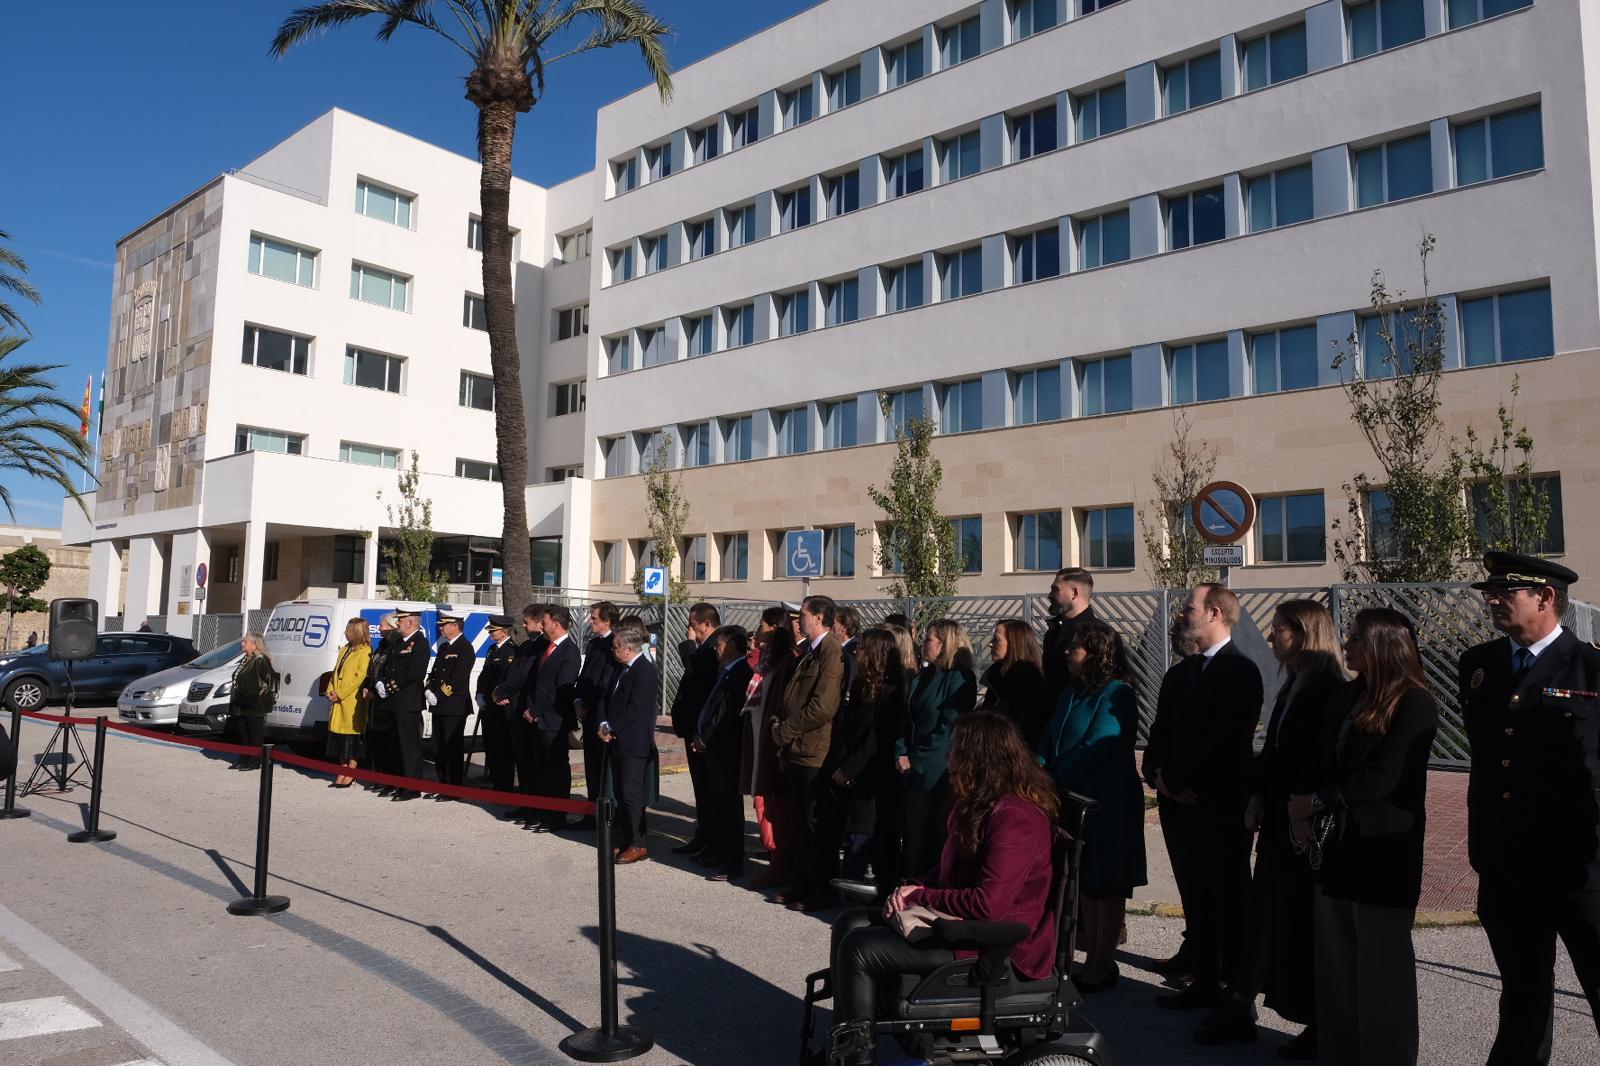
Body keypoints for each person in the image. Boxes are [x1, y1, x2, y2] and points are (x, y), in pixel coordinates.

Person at [829, 712, 1060, 1065]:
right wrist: (912, 887)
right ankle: (846, 1042)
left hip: (997, 944)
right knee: (850, 922)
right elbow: (945, 873)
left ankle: (856, 1057)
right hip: (963, 924)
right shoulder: (980, 807)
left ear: (979, 759)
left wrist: (921, 897)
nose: (947, 757)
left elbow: (989, 905)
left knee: (859, 948)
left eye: (953, 750)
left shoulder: (1016, 818)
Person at [1459, 552, 1600, 1065]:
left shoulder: (1591, 666)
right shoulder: (1478, 664)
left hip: (1580, 866)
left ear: (1545, 597)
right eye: (1490, 592)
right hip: (1506, 864)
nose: (1492, 600)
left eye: (1506, 592)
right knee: (1522, 993)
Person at [1290, 608, 1437, 1066]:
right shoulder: (1351, 695)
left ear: (1382, 645)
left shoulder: (1414, 702)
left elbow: (1382, 776)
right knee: (1335, 970)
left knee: (1381, 975)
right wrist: (1302, 804)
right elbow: (1322, 758)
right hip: (1336, 850)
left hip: (1381, 854)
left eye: (1355, 638)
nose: (1347, 645)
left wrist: (1314, 802)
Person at [1200, 600, 1346, 1052]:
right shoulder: (1291, 686)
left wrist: (1300, 808)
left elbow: (1320, 761)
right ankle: (1241, 1005)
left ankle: (1320, 1023)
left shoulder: (1328, 691)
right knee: (1264, 917)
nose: (1270, 637)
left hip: (1304, 826)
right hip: (1280, 820)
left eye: (1279, 629)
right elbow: (1278, 753)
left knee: (1300, 926)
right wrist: (1260, 794)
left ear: (1304, 634)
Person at [1141, 583, 1263, 1013]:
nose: (1179, 615)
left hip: (1218, 807)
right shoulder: (1180, 673)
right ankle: (1205, 980)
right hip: (1180, 807)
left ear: (1213, 613)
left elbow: (1225, 742)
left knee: (1228, 899)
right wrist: (1158, 775)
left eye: (1188, 608)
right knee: (1195, 895)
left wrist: (1176, 777)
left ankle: (1237, 990)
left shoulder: (1241, 671)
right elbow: (1159, 736)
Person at [1036, 619, 1145, 992]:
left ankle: (1103, 963)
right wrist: (1039, 770)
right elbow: (1051, 736)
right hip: (1074, 797)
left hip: (1108, 802)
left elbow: (1101, 744)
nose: (1068, 652)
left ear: (1097, 654)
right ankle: (1091, 961)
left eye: (1076, 647)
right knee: (1085, 880)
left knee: (1108, 882)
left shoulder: (1118, 693)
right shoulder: (1073, 690)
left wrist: (1057, 776)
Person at [816, 627, 908, 897]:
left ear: (877, 654)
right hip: (851, 774)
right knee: (851, 833)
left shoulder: (892, 692)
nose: (858, 651)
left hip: (874, 778)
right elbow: (848, 728)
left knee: (868, 837)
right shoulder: (860, 686)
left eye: (864, 648)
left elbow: (875, 739)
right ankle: (846, 888)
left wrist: (849, 768)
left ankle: (872, 893)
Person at [773, 595, 847, 912]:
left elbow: (823, 707)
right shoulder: (809, 651)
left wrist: (785, 729)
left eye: (802, 614)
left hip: (815, 751)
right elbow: (791, 694)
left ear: (818, 617)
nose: (797, 620)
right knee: (801, 824)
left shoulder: (831, 653)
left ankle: (822, 889)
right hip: (797, 750)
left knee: (818, 826)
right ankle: (803, 882)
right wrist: (779, 721)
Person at [897, 618, 978, 879]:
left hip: (936, 771)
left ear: (944, 644)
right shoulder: (924, 675)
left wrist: (916, 759)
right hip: (911, 767)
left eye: (929, 639)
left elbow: (948, 729)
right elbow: (908, 719)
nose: (923, 643)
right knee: (912, 837)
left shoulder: (959, 679)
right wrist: (901, 751)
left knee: (929, 837)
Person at [744, 607, 799, 891]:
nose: (759, 630)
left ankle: (779, 862)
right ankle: (776, 857)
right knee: (766, 801)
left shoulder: (786, 662)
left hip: (772, 742)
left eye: (763, 624)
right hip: (760, 737)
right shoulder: (770, 660)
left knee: (777, 806)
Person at [694, 625, 755, 881]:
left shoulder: (740, 672)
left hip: (726, 750)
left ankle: (733, 863)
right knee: (718, 805)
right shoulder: (727, 671)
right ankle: (720, 854)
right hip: (715, 751)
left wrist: (705, 738)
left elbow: (727, 714)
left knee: (729, 809)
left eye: (719, 645)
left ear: (730, 645)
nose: (716, 650)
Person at [600, 619, 660, 865]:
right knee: (619, 794)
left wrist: (613, 726)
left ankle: (638, 843)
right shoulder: (620, 668)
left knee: (632, 794)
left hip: (633, 742)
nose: (613, 651)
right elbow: (608, 698)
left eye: (615, 647)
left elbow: (636, 707)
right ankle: (623, 838)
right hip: (616, 738)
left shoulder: (644, 670)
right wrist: (603, 724)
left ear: (628, 648)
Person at [670, 602, 723, 858]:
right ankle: (703, 835)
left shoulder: (714, 648)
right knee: (700, 790)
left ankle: (711, 839)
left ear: (706, 624)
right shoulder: (704, 648)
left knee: (708, 790)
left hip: (706, 733)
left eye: (692, 625)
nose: (689, 630)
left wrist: (689, 645)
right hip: (694, 729)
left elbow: (696, 672)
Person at [523, 604, 581, 831]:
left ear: (556, 624)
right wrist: (531, 708)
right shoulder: (547, 648)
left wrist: (536, 710)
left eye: (545, 622)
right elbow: (537, 683)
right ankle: (543, 812)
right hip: (538, 718)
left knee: (556, 769)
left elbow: (560, 690)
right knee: (542, 769)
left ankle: (557, 816)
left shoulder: (569, 651)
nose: (542, 626)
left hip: (554, 720)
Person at [496, 604, 549, 824]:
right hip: (515, 708)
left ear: (539, 622)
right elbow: (512, 671)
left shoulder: (542, 646)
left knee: (532, 762)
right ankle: (526, 805)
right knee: (522, 762)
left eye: (527, 622)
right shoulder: (527, 645)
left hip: (526, 709)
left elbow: (522, 675)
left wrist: (501, 691)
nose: (524, 625)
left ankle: (536, 808)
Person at [575, 601, 621, 824]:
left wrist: (590, 705)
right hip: (587, 712)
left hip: (602, 714)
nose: (590, 622)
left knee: (604, 768)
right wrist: (578, 700)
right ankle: (591, 812)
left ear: (607, 621)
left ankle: (606, 814)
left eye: (594, 619)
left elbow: (606, 680)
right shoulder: (594, 645)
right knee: (591, 766)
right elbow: (585, 676)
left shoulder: (616, 644)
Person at [380, 609, 432, 801]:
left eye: (400, 621)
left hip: (408, 702)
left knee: (409, 746)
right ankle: (398, 783)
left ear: (410, 622)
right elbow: (388, 666)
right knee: (395, 745)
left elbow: (414, 673)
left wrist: (391, 685)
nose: (397, 624)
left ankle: (412, 787)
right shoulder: (398, 642)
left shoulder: (420, 643)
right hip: (394, 701)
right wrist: (381, 682)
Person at [425, 613, 474, 795]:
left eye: (444, 625)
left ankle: (454, 786)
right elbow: (435, 672)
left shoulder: (465, 648)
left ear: (455, 626)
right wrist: (428, 689)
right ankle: (442, 782)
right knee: (438, 746)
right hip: (439, 704)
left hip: (454, 705)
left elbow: (458, 678)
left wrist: (440, 695)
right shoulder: (445, 647)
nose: (440, 628)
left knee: (452, 746)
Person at [979, 619, 1047, 747]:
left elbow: (1024, 729)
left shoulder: (1028, 682)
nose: (990, 644)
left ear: (1014, 643)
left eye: (996, 639)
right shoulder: (996, 676)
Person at [323, 618, 371, 789]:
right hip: (338, 701)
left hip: (351, 701)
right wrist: (330, 690)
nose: (345, 632)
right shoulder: (345, 649)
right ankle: (341, 770)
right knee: (339, 740)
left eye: (348, 630)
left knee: (351, 740)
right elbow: (336, 672)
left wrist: (341, 693)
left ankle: (351, 772)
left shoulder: (365, 651)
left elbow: (360, 677)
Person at [1041, 568, 1097, 704]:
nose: (1049, 595)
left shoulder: (1097, 635)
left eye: (1055, 589)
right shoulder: (1054, 630)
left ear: (1074, 592)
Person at [475, 615, 517, 791]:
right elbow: (484, 675)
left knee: (503, 748)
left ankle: (504, 785)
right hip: (489, 706)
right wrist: (479, 693)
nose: (491, 634)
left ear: (504, 631)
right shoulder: (492, 649)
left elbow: (510, 678)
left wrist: (503, 695)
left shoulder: (512, 650)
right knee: (491, 746)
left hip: (502, 706)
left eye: (493, 631)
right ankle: (496, 782)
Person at [361, 614, 400, 794]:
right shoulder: (381, 646)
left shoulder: (395, 644)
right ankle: (378, 778)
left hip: (387, 701)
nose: (380, 627)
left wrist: (377, 688)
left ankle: (389, 782)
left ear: (391, 626)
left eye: (382, 624)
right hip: (375, 702)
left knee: (388, 745)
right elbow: (372, 670)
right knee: (375, 743)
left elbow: (389, 672)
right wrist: (367, 687)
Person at [228, 634, 277, 771]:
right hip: (241, 701)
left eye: (246, 641)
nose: (242, 643)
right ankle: (243, 759)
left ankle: (255, 762)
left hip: (254, 703)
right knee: (244, 733)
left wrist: (260, 696)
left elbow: (271, 681)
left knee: (254, 734)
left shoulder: (260, 659)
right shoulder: (246, 659)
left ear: (254, 645)